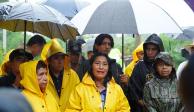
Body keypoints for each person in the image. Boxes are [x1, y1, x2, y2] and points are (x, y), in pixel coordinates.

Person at [65, 53, 130, 111]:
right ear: (91, 66)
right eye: (97, 63)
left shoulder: (117, 89)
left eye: (105, 64)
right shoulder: (80, 89)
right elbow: (71, 109)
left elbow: (125, 109)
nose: (101, 67)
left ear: (108, 68)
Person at [128, 34, 164, 112]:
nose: (150, 52)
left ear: (159, 50)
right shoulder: (140, 66)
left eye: (153, 49)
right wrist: (140, 101)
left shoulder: (165, 65)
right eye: (148, 49)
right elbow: (132, 88)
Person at [44, 39, 80, 112]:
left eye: (62, 58)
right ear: (49, 61)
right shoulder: (43, 75)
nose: (60, 61)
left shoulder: (73, 75)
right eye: (56, 58)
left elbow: (79, 97)